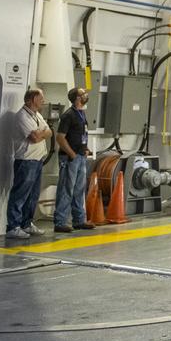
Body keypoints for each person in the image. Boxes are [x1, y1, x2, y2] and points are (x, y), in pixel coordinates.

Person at [6, 88, 53, 238]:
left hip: (38, 160)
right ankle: (13, 226)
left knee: (33, 195)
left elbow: (49, 132)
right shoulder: (22, 116)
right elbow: (34, 137)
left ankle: (26, 224)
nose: (43, 101)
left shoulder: (37, 115)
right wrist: (41, 133)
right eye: (41, 98)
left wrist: (41, 133)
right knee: (20, 194)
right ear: (32, 100)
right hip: (26, 161)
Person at [54, 87, 97, 233]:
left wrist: (85, 149)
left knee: (79, 190)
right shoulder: (68, 115)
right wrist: (72, 154)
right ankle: (60, 221)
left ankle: (79, 220)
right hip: (70, 158)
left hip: (80, 156)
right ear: (77, 98)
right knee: (66, 189)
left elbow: (80, 135)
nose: (86, 95)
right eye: (83, 94)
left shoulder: (81, 114)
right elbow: (60, 137)